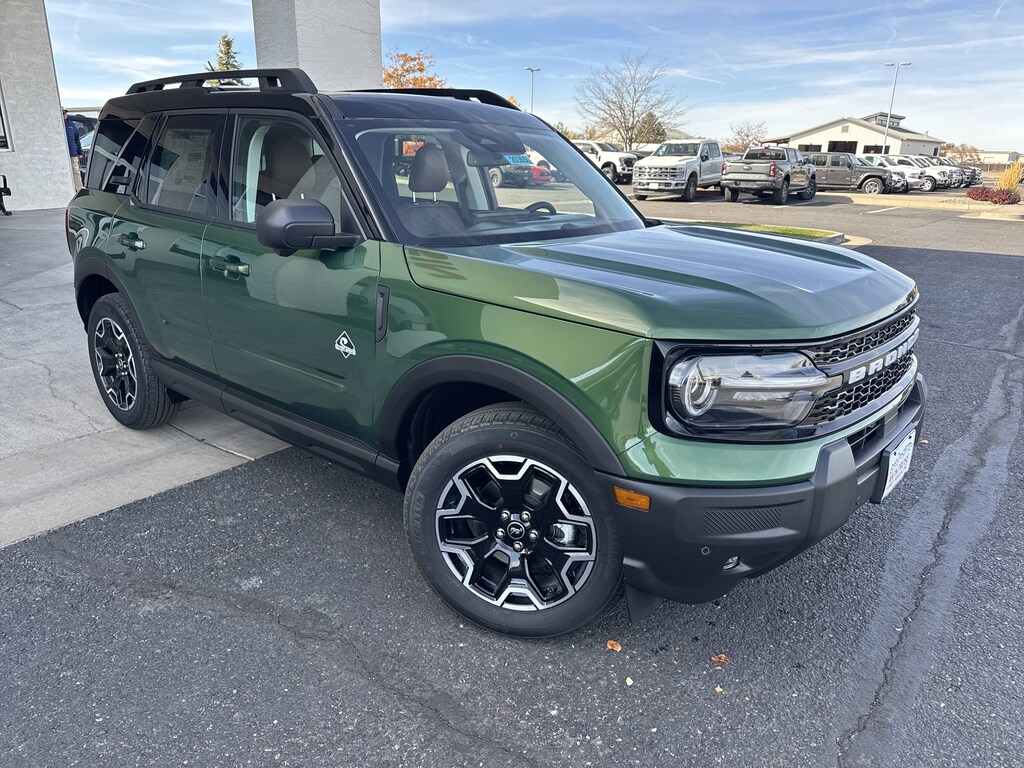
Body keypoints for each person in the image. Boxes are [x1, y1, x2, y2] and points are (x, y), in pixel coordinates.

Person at [63, 109, 83, 192]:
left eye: (65, 113)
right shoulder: (57, 125)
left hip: (72, 154)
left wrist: (79, 152)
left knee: (76, 172)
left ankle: (79, 190)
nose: (65, 115)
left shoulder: (71, 125)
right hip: (62, 154)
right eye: (63, 113)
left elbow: (77, 139)